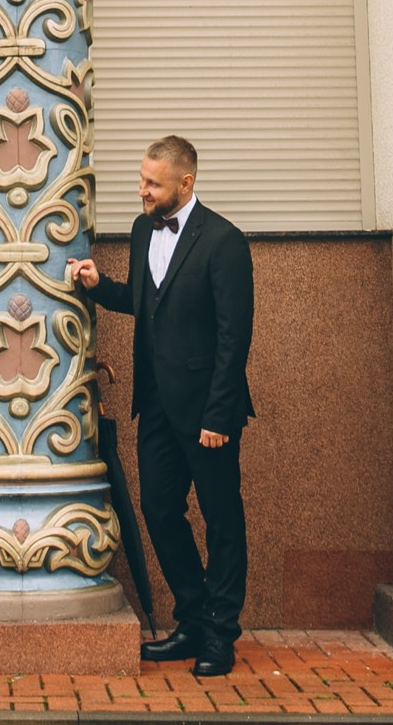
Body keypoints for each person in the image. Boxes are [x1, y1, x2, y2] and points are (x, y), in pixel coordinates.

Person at [68, 135, 254, 678]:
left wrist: (219, 416)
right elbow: (147, 301)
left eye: (152, 182)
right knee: (157, 511)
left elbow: (233, 338)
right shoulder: (141, 230)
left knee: (222, 520)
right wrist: (101, 288)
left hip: (207, 413)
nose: (142, 190)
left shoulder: (224, 242)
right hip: (155, 406)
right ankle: (192, 619)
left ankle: (221, 634)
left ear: (185, 184)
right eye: (141, 179)